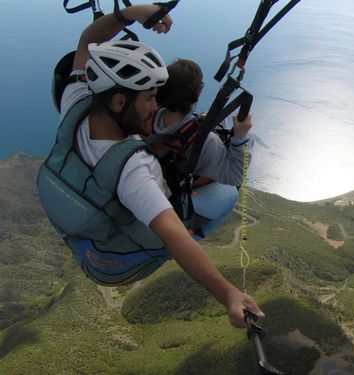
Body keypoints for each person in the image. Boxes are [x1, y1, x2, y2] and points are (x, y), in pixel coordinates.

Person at [37, 3, 264, 328]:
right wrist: (228, 294)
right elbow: (174, 236)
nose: (154, 105)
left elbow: (86, 40)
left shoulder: (77, 101)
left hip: (80, 234)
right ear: (119, 102)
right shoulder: (133, 169)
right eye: (148, 98)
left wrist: (131, 13)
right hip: (113, 264)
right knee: (226, 194)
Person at [143, 58, 253, 229]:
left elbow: (176, 127)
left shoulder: (146, 117)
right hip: (172, 200)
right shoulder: (205, 142)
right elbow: (235, 176)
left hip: (151, 188)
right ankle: (188, 234)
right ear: (195, 95)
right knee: (230, 193)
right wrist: (241, 135)